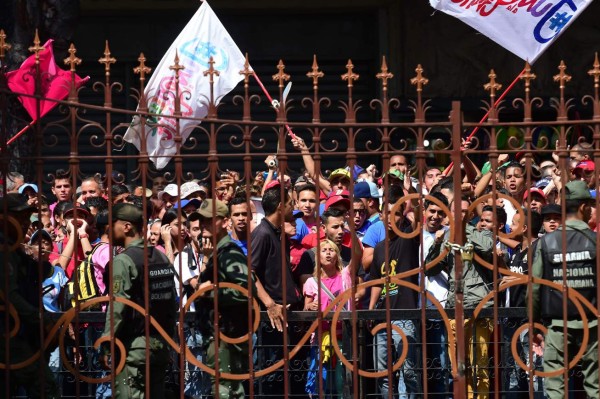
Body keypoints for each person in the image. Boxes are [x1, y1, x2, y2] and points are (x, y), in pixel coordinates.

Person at [99, 203, 177, 398]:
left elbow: (118, 306)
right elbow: (170, 303)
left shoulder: (123, 261)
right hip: (160, 346)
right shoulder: (161, 257)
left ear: (127, 227)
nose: (108, 229)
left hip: (134, 348)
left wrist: (107, 343)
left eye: (112, 223)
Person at [530, 180, 599, 399]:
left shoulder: (546, 242)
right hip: (593, 324)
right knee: (595, 387)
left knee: (555, 388)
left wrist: (533, 324)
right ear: (583, 207)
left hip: (558, 326)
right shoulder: (595, 241)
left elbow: (535, 287)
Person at [0, 193, 60, 397]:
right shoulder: (4, 251)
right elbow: (10, 295)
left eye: (28, 218)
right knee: (45, 386)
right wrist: (40, 318)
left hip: (21, 334)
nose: (26, 223)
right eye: (20, 217)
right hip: (10, 336)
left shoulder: (14, 249)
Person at [195, 199, 255, 399]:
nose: (204, 225)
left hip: (227, 337)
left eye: (209, 220)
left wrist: (211, 291)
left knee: (225, 391)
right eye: (201, 221)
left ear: (224, 222)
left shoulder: (230, 253)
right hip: (218, 335)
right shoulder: (218, 252)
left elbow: (245, 290)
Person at [369, 184, 422, 399]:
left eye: (397, 213)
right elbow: (375, 282)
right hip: (382, 316)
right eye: (388, 213)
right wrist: (371, 312)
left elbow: (418, 220)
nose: (391, 217)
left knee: (408, 371)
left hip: (405, 315)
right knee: (383, 372)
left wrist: (412, 198)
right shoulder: (380, 247)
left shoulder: (408, 237)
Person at [303, 239, 353, 397]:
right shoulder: (311, 282)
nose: (328, 253)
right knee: (319, 381)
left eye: (331, 250)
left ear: (337, 256)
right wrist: (310, 307)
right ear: (318, 257)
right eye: (324, 250)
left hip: (342, 337)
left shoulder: (345, 277)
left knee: (341, 382)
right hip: (320, 337)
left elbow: (356, 258)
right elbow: (306, 308)